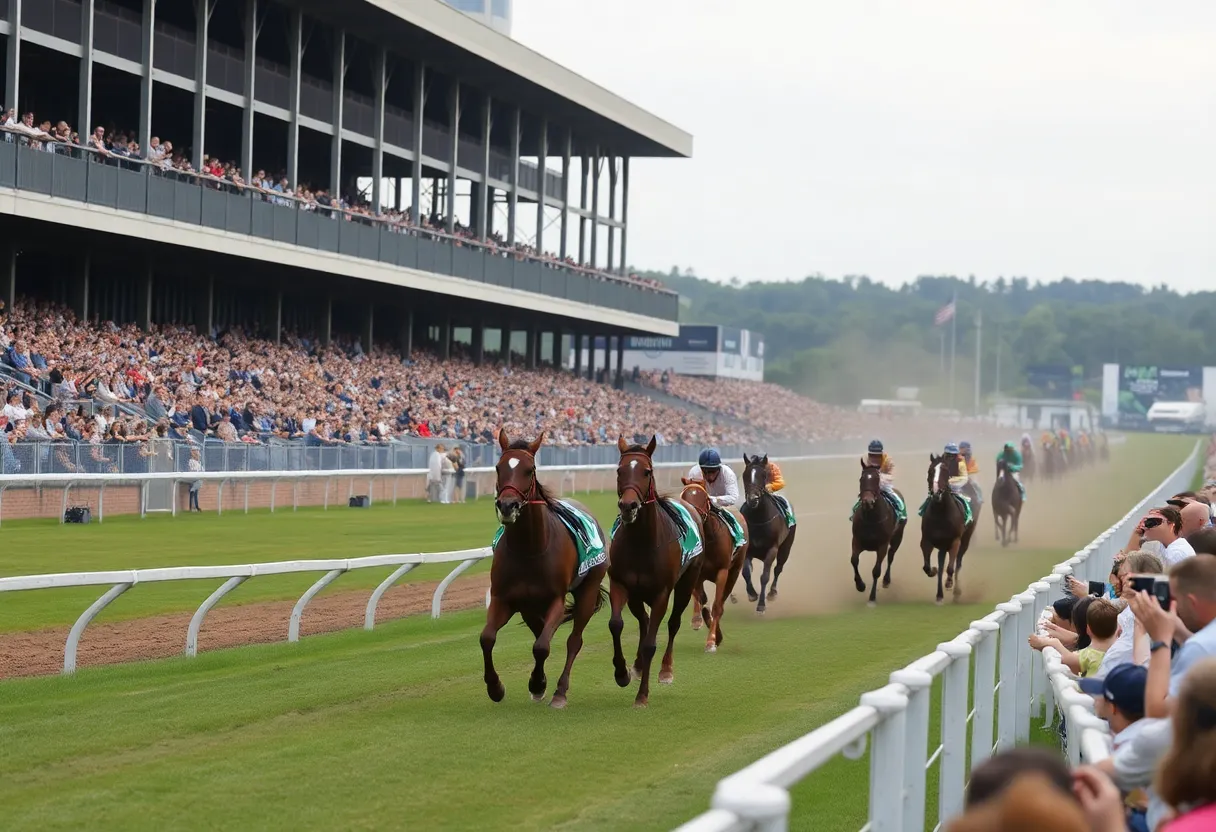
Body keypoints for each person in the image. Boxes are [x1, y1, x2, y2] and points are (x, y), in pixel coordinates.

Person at [850, 438, 906, 522]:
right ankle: (854, 513)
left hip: (884, 483)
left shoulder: (888, 461)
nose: (874, 458)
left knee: (894, 496)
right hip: (871, 483)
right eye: (872, 455)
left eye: (877, 456)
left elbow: (891, 475)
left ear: (881, 454)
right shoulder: (865, 459)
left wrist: (881, 478)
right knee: (860, 498)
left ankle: (901, 513)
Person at [687, 448, 740, 516]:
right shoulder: (694, 473)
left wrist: (713, 499)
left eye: (713, 471)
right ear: (701, 469)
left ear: (719, 468)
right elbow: (690, 497)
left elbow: (733, 498)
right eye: (705, 472)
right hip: (701, 508)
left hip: (724, 508)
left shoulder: (728, 473)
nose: (710, 476)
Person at [959, 441, 983, 510]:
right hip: (960, 475)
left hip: (970, 475)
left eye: (962, 448)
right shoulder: (957, 457)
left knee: (975, 484)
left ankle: (979, 498)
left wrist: (967, 475)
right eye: (960, 448)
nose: (961, 449)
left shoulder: (971, 459)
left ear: (967, 449)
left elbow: (974, 468)